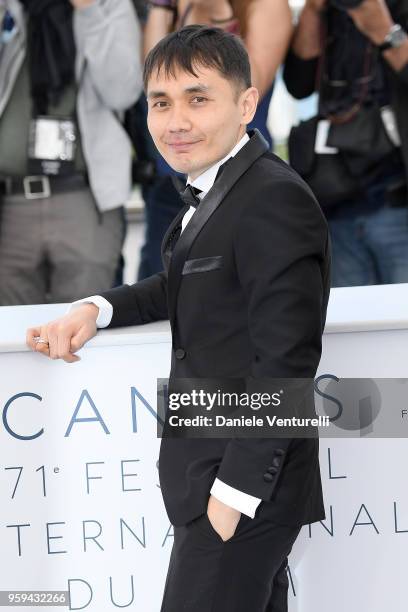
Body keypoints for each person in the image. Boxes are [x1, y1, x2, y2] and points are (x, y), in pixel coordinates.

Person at [26, 26, 331, 612]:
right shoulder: (222, 190)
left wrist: (235, 494)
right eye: (161, 103)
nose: (175, 121)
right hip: (213, 484)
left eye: (198, 98)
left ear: (247, 103)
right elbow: (189, 284)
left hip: (242, 489)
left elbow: (288, 361)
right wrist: (99, 308)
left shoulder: (272, 197)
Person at [137, 0, 293, 279]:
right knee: (165, 281)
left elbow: (249, 81)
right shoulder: (177, 7)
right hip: (175, 181)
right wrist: (162, 6)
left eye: (197, 99)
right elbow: (155, 80)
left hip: (239, 177)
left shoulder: (265, 5)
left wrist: (215, 9)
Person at [0, 0, 143, 305]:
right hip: (10, 205)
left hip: (83, 199)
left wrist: (89, 11)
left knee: (83, 336)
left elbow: (123, 91)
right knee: (12, 342)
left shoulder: (110, 6)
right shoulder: (11, 9)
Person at [283, 0, 408, 287]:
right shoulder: (331, 10)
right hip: (337, 199)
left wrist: (384, 30)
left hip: (397, 198)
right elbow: (298, 84)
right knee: (351, 322)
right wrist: (314, 11)